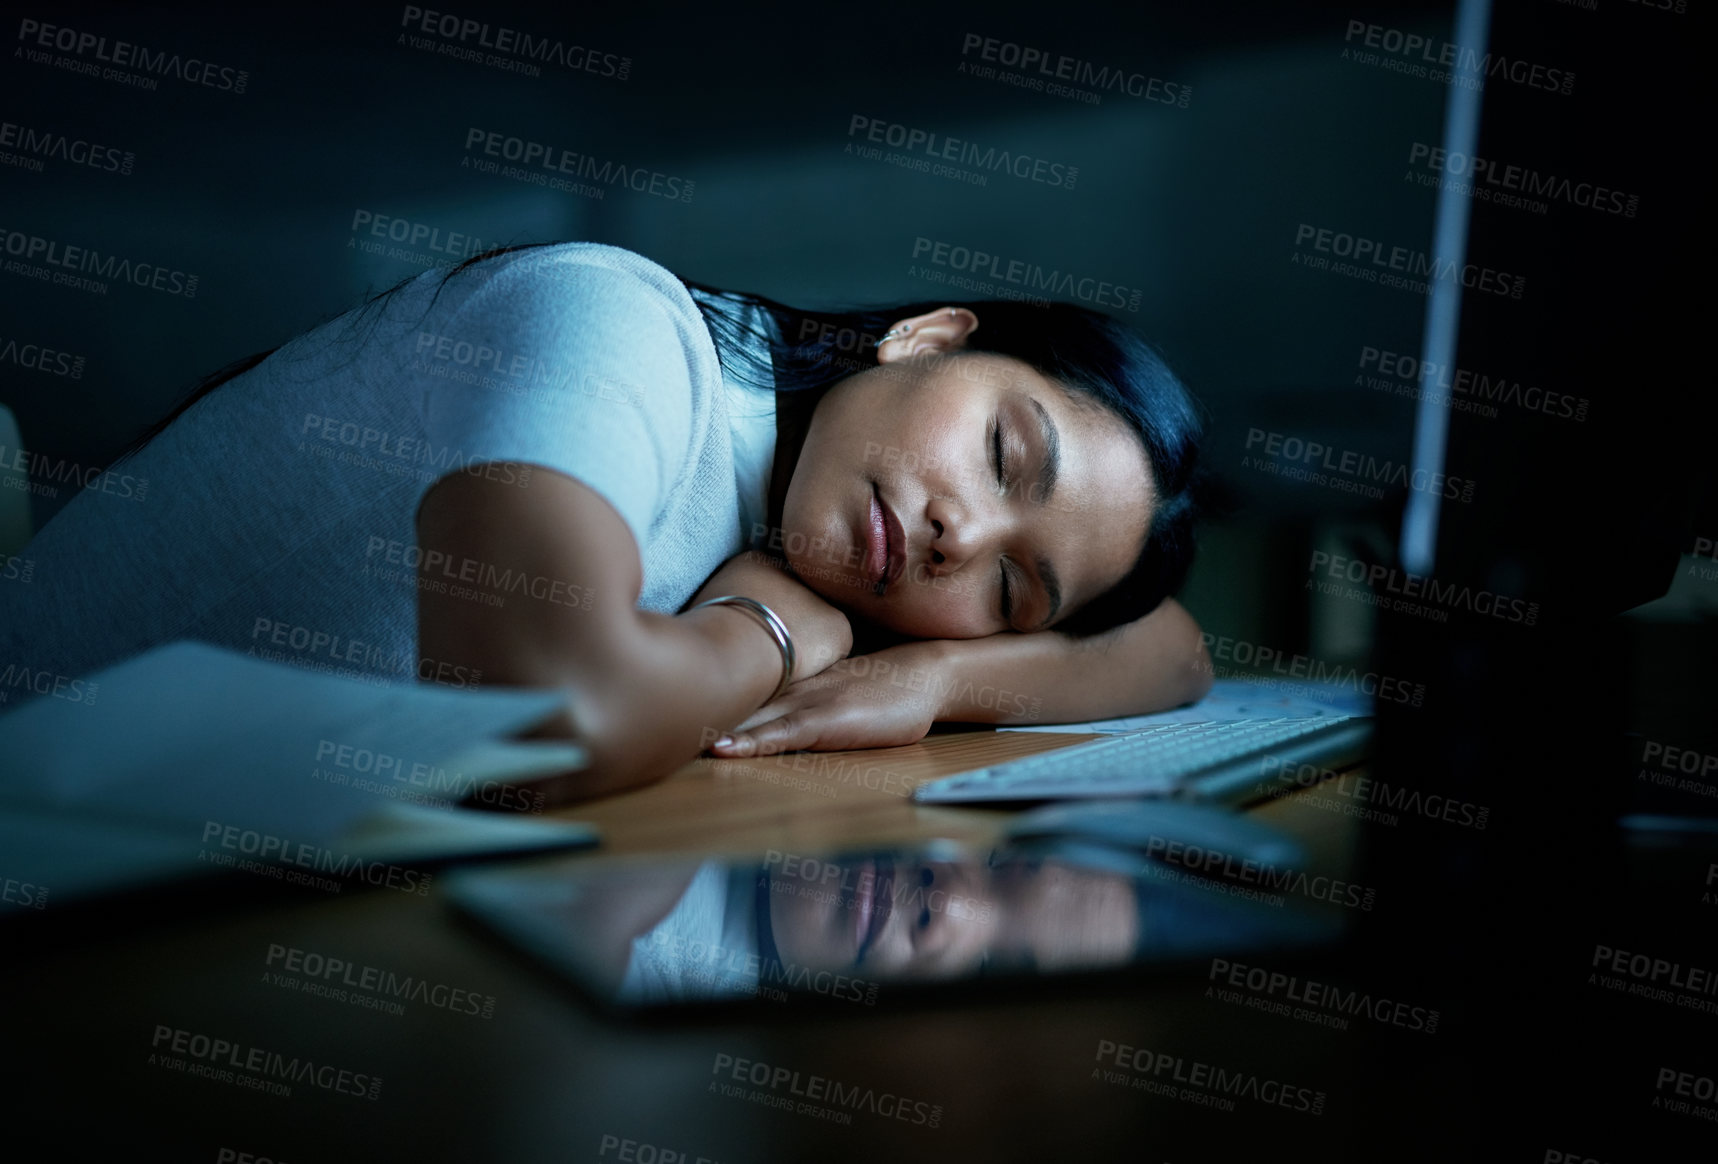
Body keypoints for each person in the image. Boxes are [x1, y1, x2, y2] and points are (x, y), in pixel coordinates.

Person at [0, 241, 1213, 797]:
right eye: (1004, 455)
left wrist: (938, 687)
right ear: (929, 336)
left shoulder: (825, 516)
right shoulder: (616, 328)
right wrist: (772, 628)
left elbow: (1174, 651)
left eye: (1009, 592)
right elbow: (541, 722)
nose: (965, 539)